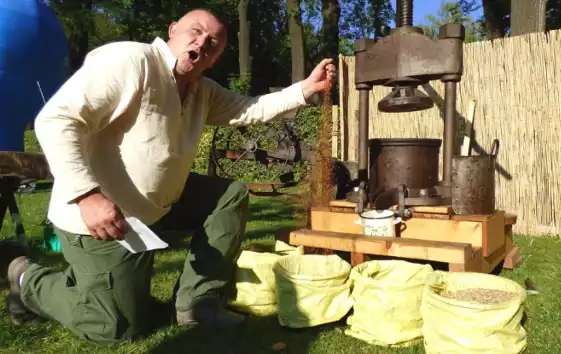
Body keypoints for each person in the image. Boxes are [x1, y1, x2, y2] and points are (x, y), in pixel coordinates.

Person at [1, 8, 336, 345]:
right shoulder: (131, 62)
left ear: (215, 58)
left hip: (159, 207)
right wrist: (87, 195)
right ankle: (26, 276)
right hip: (98, 215)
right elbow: (56, 120)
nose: (202, 41)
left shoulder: (203, 91)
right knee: (114, 326)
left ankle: (196, 301)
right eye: (196, 31)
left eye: (213, 43)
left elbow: (249, 108)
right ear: (172, 30)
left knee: (229, 196)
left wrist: (306, 88)